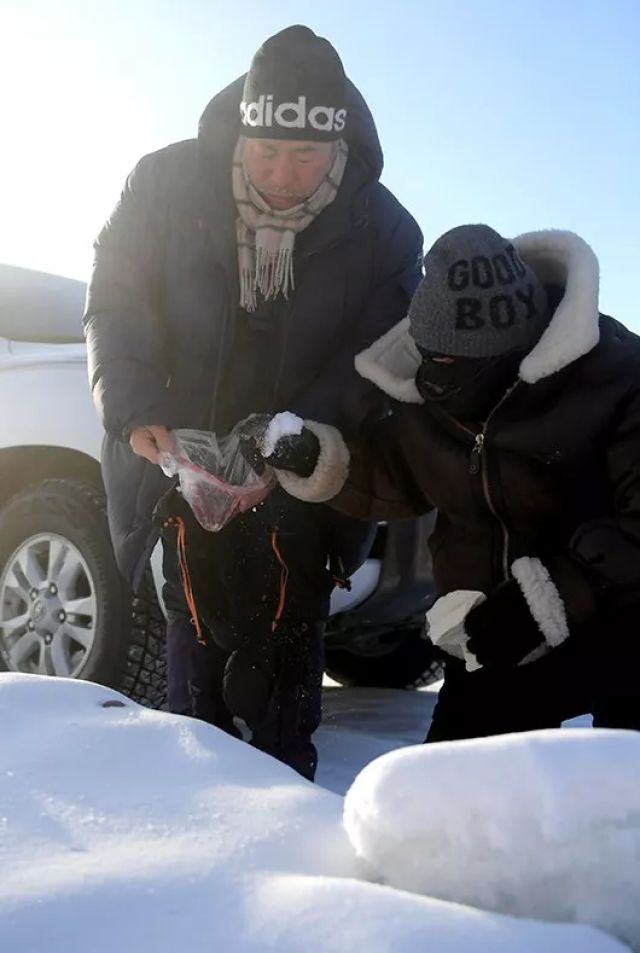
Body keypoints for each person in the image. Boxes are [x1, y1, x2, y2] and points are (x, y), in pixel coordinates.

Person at [83, 25, 422, 779]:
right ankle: (192, 794)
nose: (282, 174)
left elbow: (380, 355)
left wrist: (295, 442)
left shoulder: (388, 230)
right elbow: (116, 302)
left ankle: (283, 791)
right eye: (266, 150)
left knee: (288, 627)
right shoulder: (163, 184)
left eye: (305, 157)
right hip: (182, 455)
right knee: (192, 628)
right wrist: (136, 411)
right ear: (244, 125)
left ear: (337, 145)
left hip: (303, 468)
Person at [253, 224, 640, 742]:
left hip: (614, 624)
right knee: (451, 792)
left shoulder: (618, 376)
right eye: (430, 354)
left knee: (618, 795)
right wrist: (315, 459)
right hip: (492, 634)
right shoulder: (428, 381)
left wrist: (541, 603)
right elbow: (402, 471)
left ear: (511, 352)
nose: (435, 374)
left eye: (454, 363)